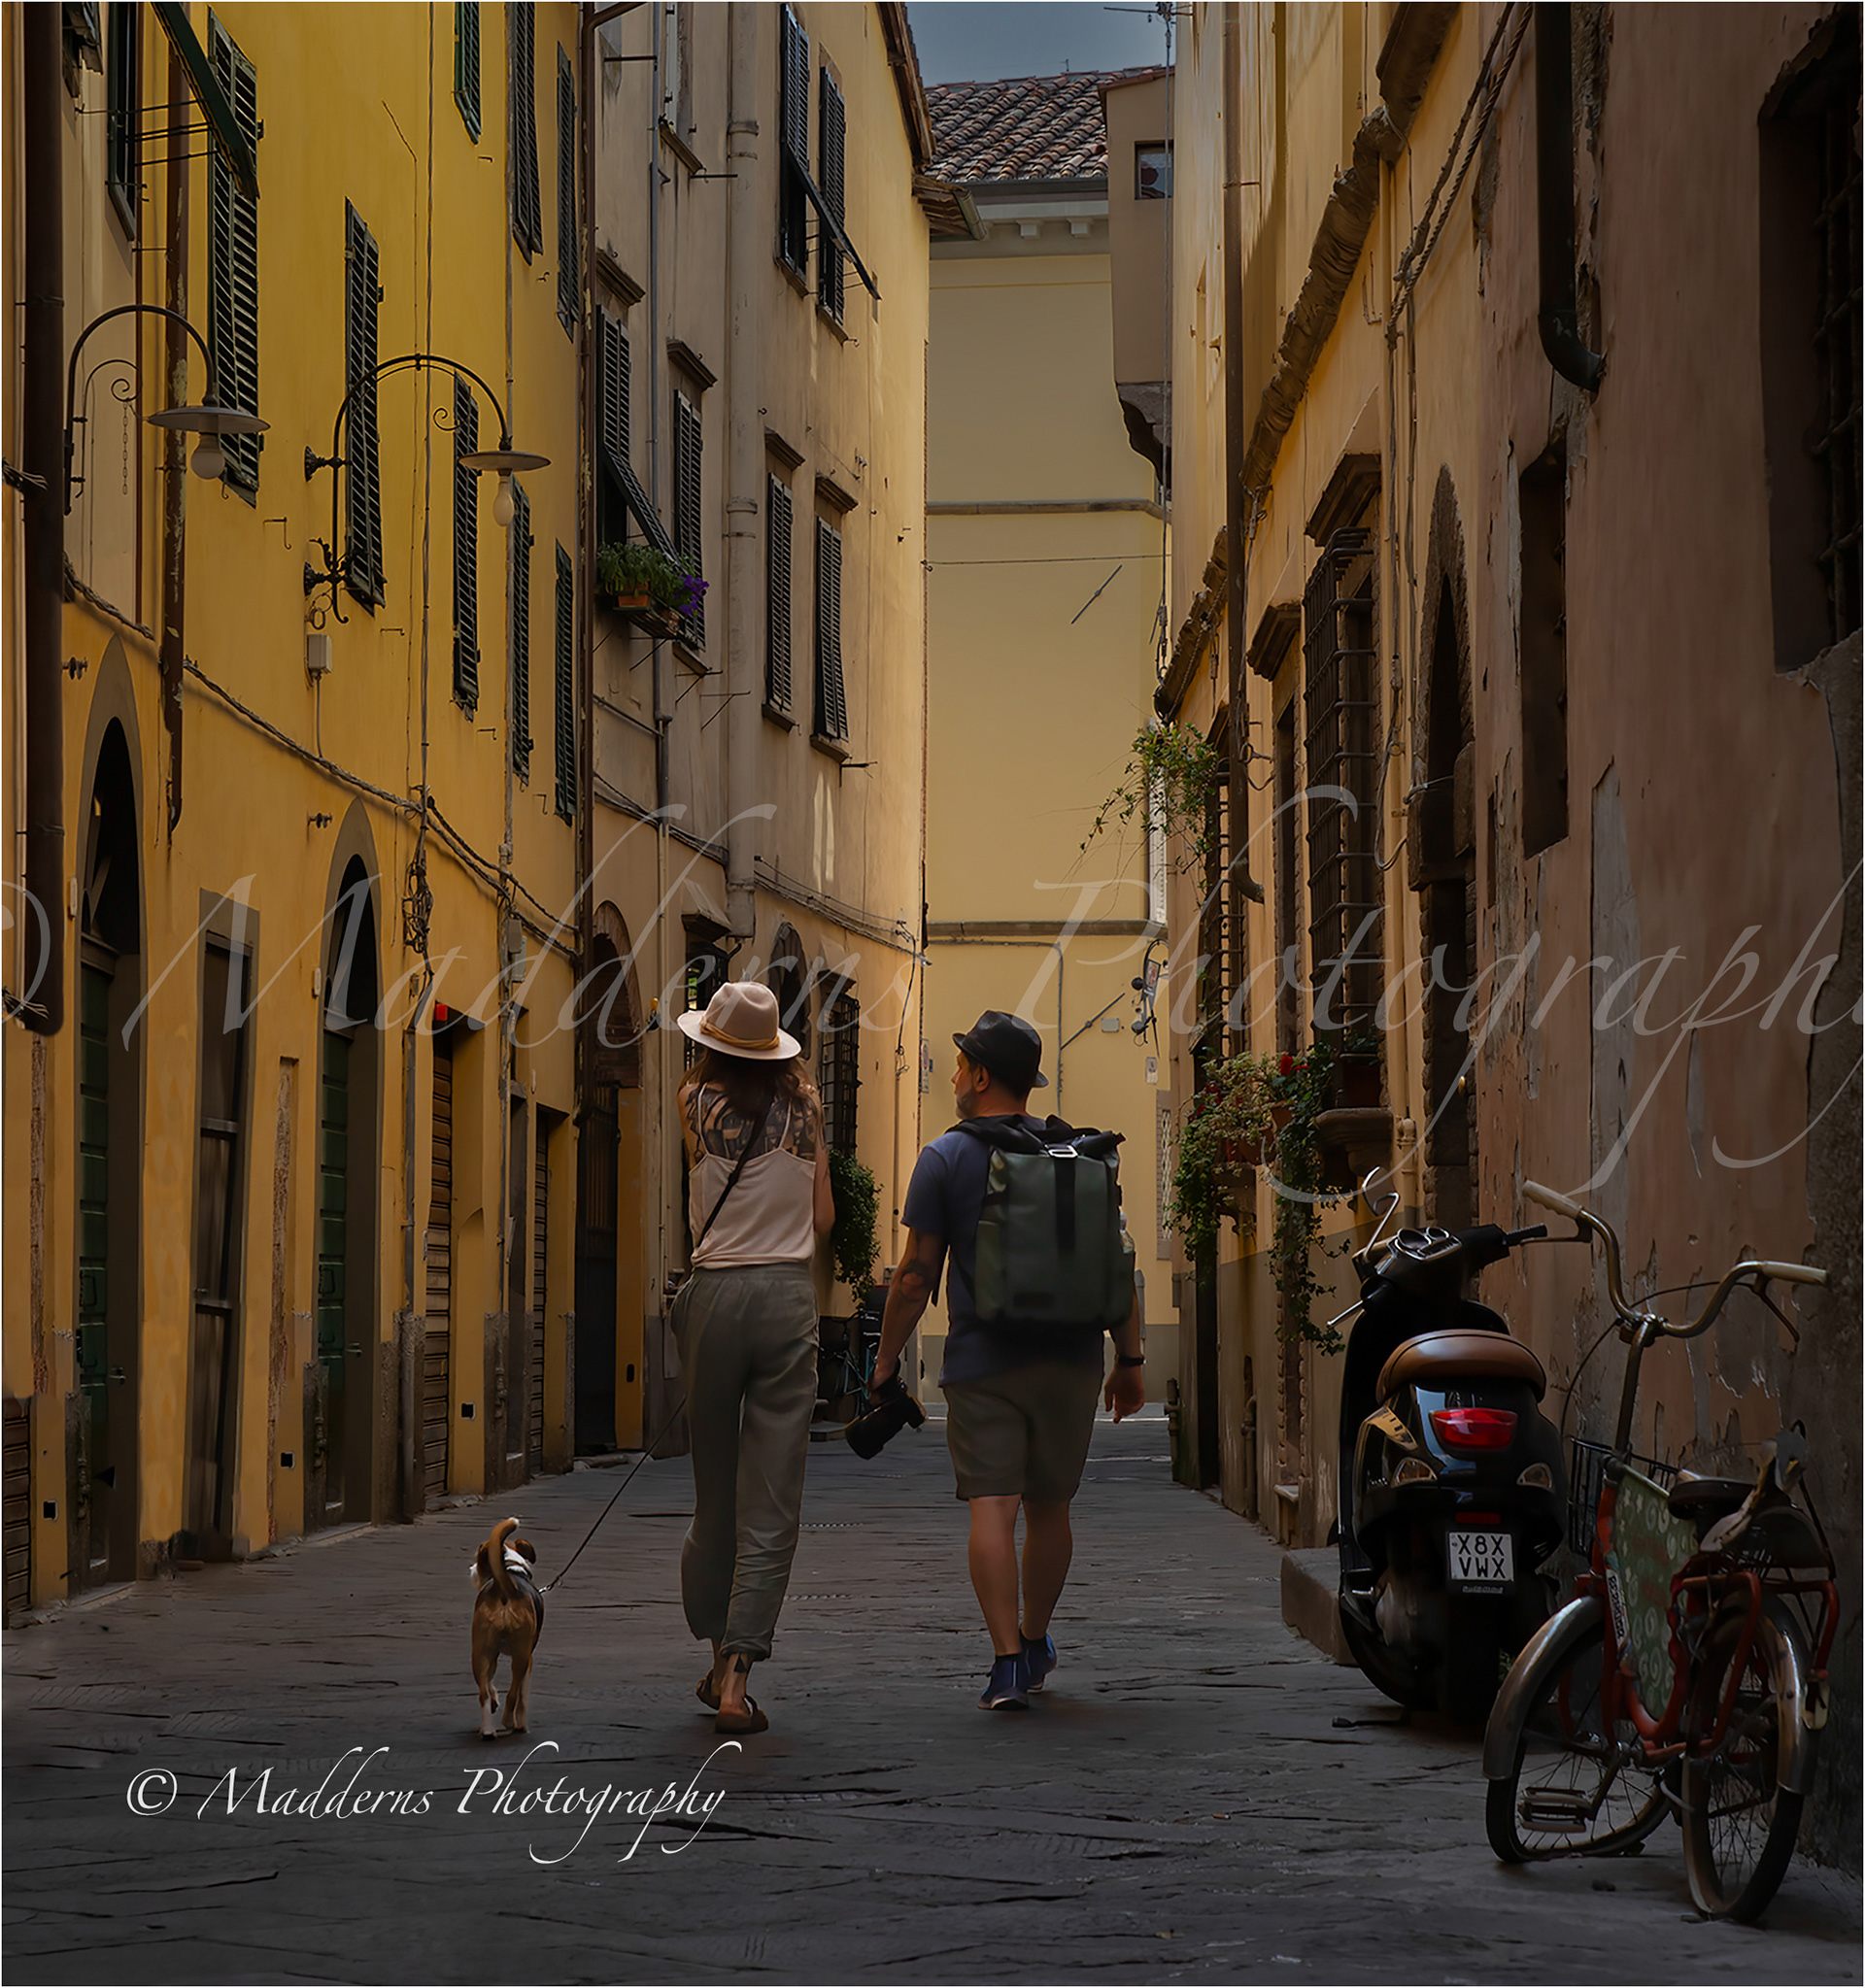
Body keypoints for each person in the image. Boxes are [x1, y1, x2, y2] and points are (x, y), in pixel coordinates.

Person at [871, 1010, 1145, 1709]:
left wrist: (885, 1362)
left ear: (983, 1076)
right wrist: (1131, 1359)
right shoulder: (1079, 1154)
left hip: (981, 1359)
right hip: (1073, 1359)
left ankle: (1004, 1664)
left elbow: (913, 1276)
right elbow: (1118, 1261)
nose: (955, 1075)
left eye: (962, 1064)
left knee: (992, 1507)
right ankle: (1034, 1637)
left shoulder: (943, 1157)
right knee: (1050, 1508)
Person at [673, 980, 836, 1736]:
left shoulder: (691, 1104)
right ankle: (737, 1678)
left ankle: (712, 1656)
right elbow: (825, 1215)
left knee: (716, 1495)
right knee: (771, 1501)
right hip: (784, 1299)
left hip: (713, 1297)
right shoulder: (807, 1111)